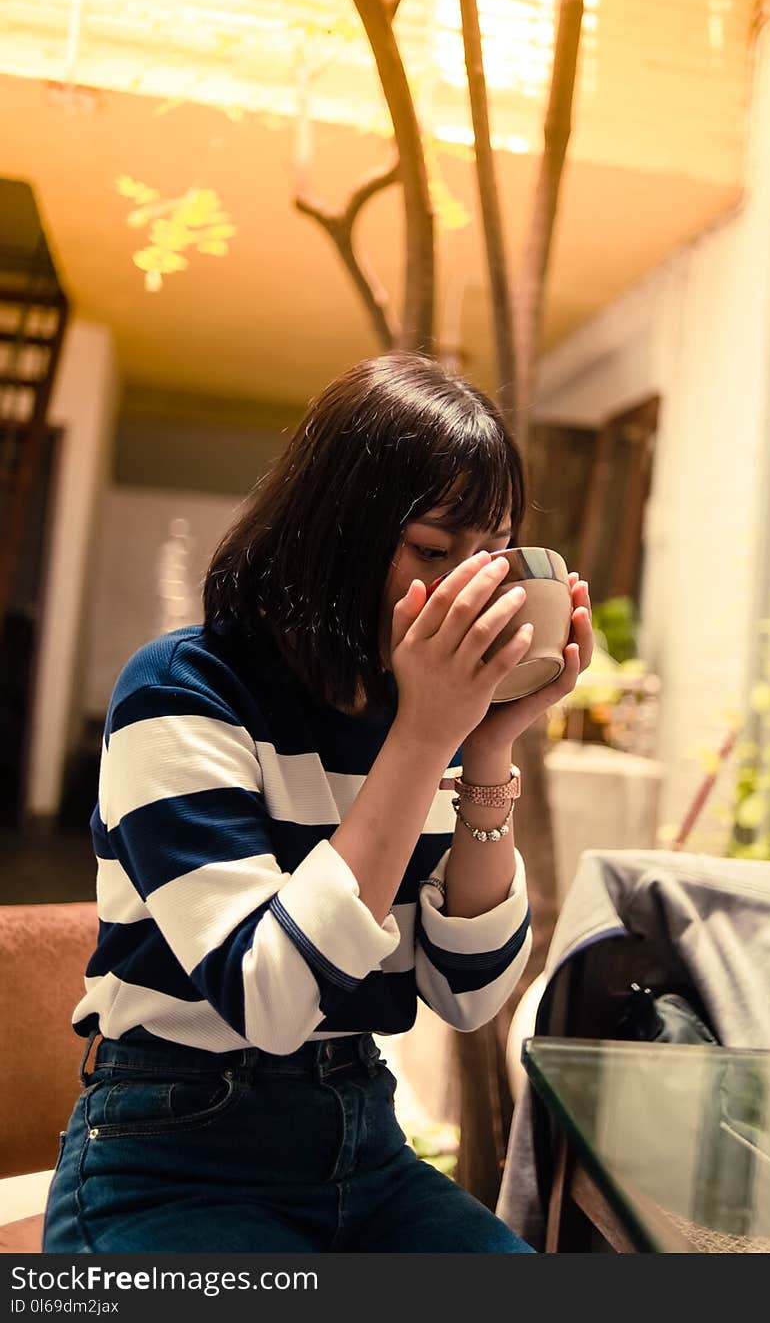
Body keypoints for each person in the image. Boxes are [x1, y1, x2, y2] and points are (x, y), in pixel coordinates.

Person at [41, 350, 593, 1253]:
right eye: (432, 547)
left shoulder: (419, 713)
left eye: (489, 555)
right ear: (336, 531)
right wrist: (424, 741)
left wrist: (487, 743)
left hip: (363, 1145)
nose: (468, 585)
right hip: (172, 1155)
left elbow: (468, 995)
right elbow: (270, 997)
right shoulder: (181, 691)